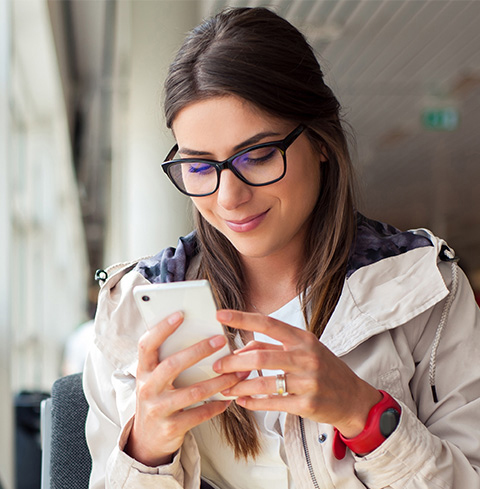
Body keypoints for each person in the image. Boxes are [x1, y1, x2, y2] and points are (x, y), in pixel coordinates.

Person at [83, 7, 480, 489]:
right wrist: (146, 449)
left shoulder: (425, 290)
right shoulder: (134, 312)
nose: (229, 196)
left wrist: (363, 414)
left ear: (321, 141)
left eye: (258, 155)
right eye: (199, 166)